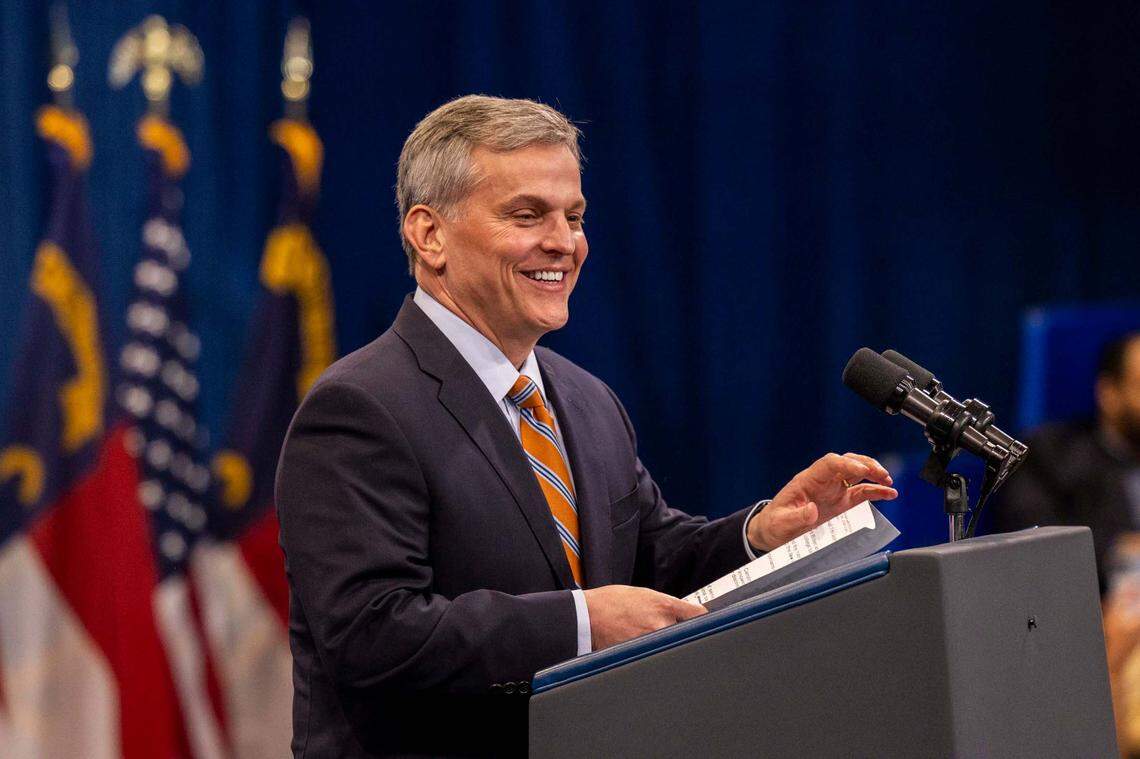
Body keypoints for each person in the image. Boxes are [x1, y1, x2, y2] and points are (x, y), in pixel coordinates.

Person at [275, 95, 897, 758]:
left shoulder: (586, 399)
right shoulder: (359, 409)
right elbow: (373, 635)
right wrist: (583, 622)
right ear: (430, 235)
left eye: (574, 216)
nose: (564, 242)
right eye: (527, 214)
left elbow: (651, 557)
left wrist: (762, 532)